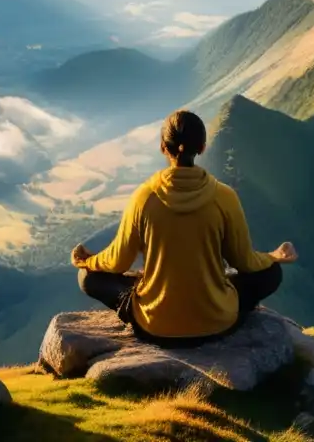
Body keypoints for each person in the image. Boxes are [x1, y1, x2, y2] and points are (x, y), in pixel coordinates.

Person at [72, 109, 298, 348]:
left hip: (154, 325)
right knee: (272, 273)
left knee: (87, 278)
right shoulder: (224, 197)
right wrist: (273, 257)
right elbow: (244, 261)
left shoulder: (144, 198)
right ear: (202, 147)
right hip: (217, 323)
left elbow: (117, 261)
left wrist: (89, 262)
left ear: (162, 147)